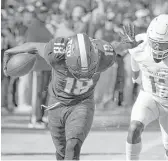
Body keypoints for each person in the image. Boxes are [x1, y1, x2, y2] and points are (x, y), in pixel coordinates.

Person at [4, 32, 137, 160]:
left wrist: (128, 43)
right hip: (57, 104)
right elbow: (33, 46)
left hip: (82, 103)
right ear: (66, 57)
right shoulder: (56, 53)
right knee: (62, 152)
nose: (83, 76)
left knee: (73, 147)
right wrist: (10, 51)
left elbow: (116, 46)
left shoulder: (105, 53)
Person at [125, 14, 168, 160]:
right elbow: (135, 57)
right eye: (155, 43)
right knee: (134, 128)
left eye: (163, 45)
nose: (157, 48)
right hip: (148, 96)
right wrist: (135, 76)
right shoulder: (141, 42)